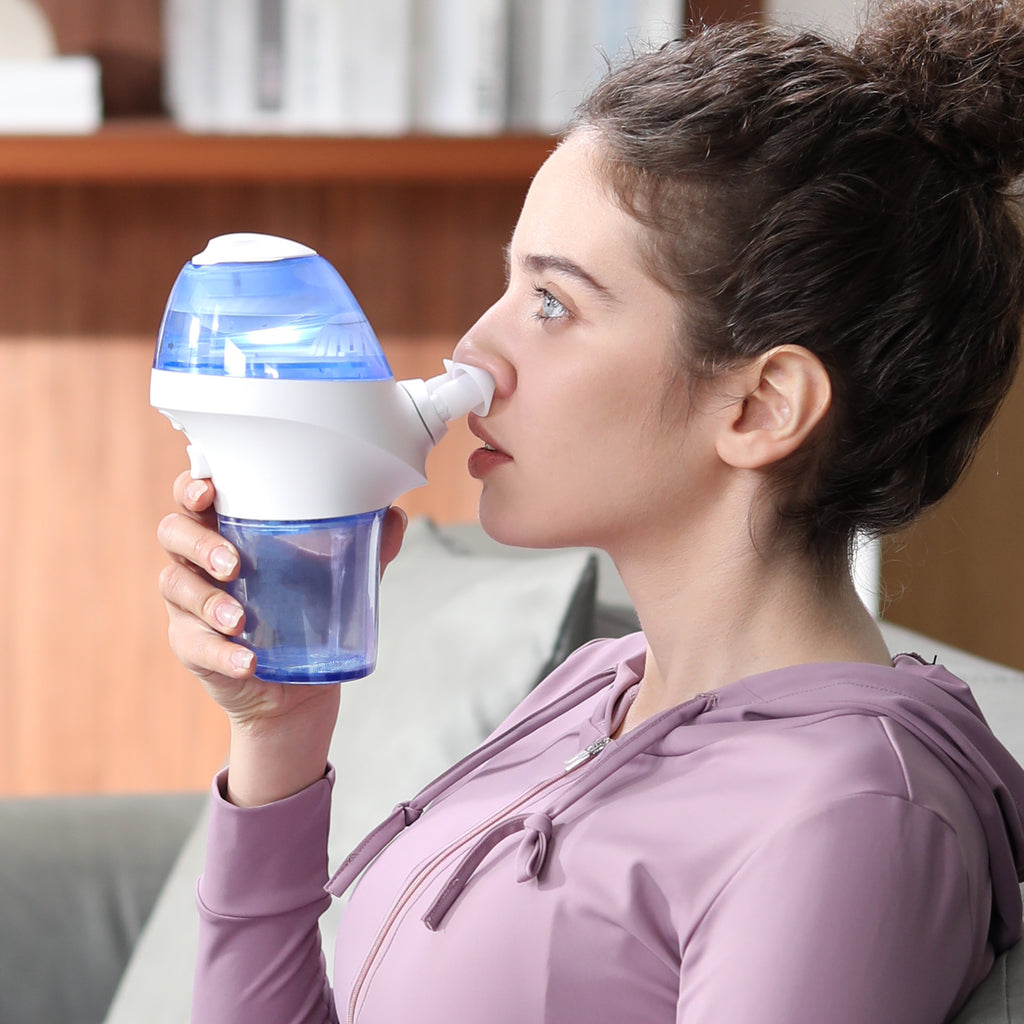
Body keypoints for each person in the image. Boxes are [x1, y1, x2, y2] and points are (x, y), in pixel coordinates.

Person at [157, 1, 1024, 1021]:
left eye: (553, 303)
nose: (474, 352)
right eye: (508, 285)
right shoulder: (593, 691)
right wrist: (281, 736)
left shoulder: (848, 815)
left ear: (759, 405)